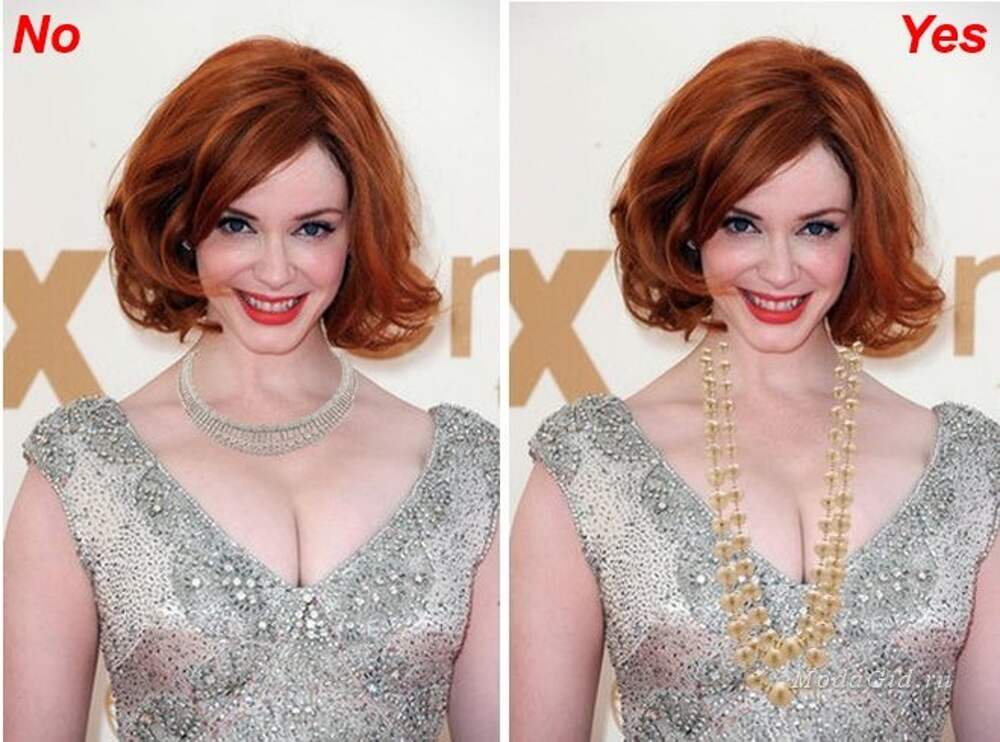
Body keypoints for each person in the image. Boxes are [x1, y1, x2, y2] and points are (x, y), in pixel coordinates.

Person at [4, 37, 498, 741]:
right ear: (185, 228)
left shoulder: (464, 470)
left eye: (312, 229)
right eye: (237, 224)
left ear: (356, 235)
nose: (274, 270)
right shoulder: (83, 471)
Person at [512, 38, 998, 740]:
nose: (779, 270)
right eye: (742, 224)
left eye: (816, 228)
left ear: (861, 234)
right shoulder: (589, 466)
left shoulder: (970, 470)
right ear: (690, 227)